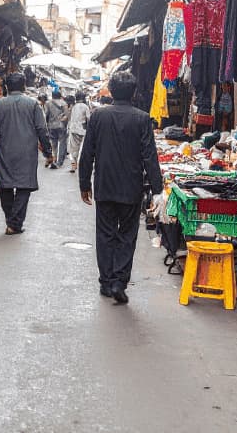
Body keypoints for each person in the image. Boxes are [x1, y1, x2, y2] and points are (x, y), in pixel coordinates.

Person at [79, 71, 163, 304]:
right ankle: (119, 281)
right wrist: (158, 189)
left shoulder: (98, 117)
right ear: (134, 93)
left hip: (104, 185)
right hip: (131, 188)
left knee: (105, 234)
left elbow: (87, 153)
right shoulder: (141, 118)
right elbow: (149, 156)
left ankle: (106, 282)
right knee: (127, 235)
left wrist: (84, 183)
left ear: (112, 91)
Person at [0, 73, 54, 235]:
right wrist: (48, 152)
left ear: (7, 87)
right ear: (23, 86)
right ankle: (14, 223)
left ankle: (12, 221)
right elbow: (42, 130)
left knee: (5, 186)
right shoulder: (33, 104)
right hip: (27, 153)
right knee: (24, 187)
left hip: (5, 152)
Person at [67, 91, 90, 173]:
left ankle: (74, 164)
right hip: (82, 130)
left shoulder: (73, 107)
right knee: (82, 148)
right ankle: (81, 164)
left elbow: (70, 117)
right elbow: (89, 118)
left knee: (74, 148)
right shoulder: (85, 107)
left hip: (73, 129)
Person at [44, 90, 68, 169]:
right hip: (61, 126)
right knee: (62, 144)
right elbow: (66, 115)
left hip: (51, 126)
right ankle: (59, 162)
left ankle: (54, 160)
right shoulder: (64, 103)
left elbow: (46, 115)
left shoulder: (48, 103)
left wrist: (47, 124)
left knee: (53, 144)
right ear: (60, 95)